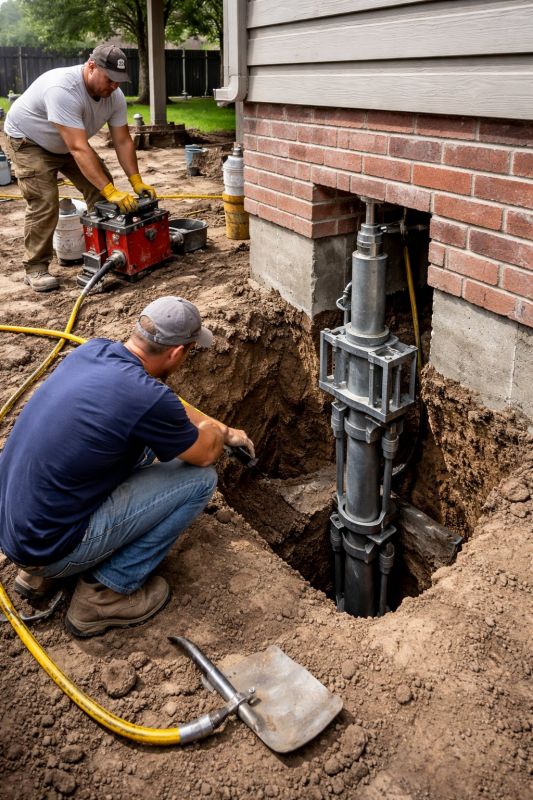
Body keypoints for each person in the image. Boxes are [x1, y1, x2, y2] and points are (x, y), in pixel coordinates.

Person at [0, 296, 255, 637]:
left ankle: (39, 575)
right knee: (199, 480)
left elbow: (169, 410)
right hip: (46, 547)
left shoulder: (92, 351)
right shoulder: (149, 399)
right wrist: (219, 431)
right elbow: (205, 454)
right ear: (177, 353)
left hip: (17, 528)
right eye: (190, 350)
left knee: (137, 444)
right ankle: (103, 596)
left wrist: (216, 428)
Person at [3, 44, 155, 293]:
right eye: (110, 79)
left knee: (101, 189)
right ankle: (35, 267)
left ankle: (103, 254)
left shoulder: (114, 97)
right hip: (28, 140)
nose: (115, 86)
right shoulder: (63, 88)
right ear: (91, 66)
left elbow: (123, 140)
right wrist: (109, 189)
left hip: (68, 142)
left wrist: (136, 180)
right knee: (45, 200)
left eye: (119, 81)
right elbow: (78, 148)